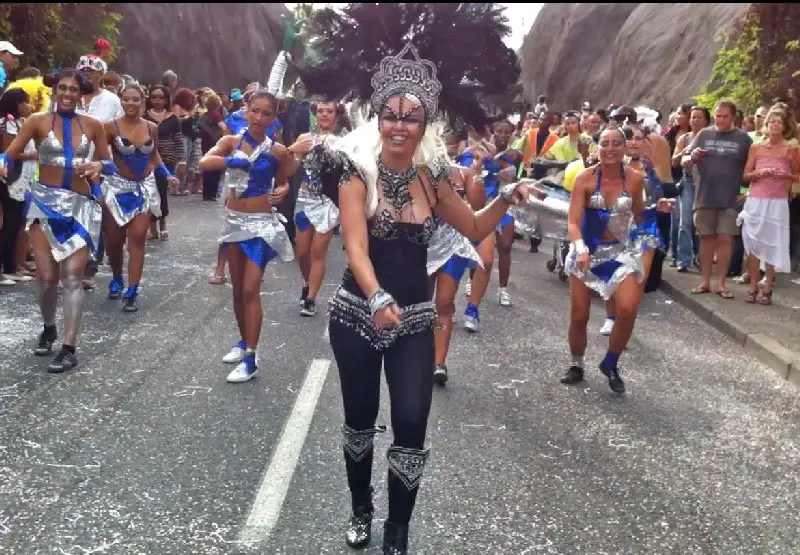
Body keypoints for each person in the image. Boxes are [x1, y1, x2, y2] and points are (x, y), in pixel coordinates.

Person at [305, 42, 530, 553]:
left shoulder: (433, 179)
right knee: (360, 422)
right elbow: (357, 250)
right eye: (391, 116)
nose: (400, 126)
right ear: (379, 118)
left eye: (411, 118)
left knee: (410, 424)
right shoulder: (355, 174)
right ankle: (361, 508)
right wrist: (378, 296)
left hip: (414, 322)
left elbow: (472, 226)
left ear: (425, 123)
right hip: (358, 316)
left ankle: (397, 531)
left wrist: (506, 198)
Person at [0, 68, 117, 372]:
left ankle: (69, 346)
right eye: (62, 88)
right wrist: (2, 163)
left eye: (73, 90)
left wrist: (98, 165)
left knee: (73, 277)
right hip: (44, 206)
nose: (67, 94)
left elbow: (110, 164)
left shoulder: (93, 125)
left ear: (81, 93)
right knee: (46, 279)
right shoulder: (36, 121)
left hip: (80, 207)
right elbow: (10, 153)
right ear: (54, 91)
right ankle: (49, 327)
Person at [561, 127, 673, 393]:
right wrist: (580, 248)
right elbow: (573, 223)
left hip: (621, 252)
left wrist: (657, 210)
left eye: (616, 144)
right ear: (598, 147)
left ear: (624, 148)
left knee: (627, 309)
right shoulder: (584, 179)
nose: (610, 149)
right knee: (579, 316)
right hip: (586, 252)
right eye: (605, 143)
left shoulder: (635, 179)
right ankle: (577, 364)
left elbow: (638, 216)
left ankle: (611, 362)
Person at [199, 90, 294, 383]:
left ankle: (252, 357)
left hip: (262, 225)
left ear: (274, 118)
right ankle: (243, 341)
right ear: (246, 110)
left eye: (267, 113)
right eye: (255, 111)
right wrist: (230, 162)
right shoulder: (231, 142)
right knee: (238, 290)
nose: (259, 118)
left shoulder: (277, 151)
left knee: (251, 289)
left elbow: (285, 182)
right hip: (233, 222)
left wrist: (283, 191)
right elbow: (204, 162)